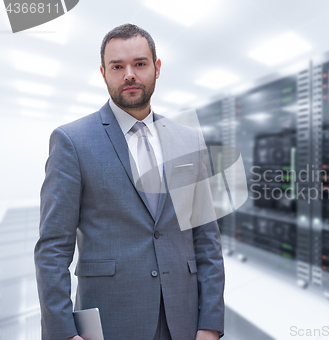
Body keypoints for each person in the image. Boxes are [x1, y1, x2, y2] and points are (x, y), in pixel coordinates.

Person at [34, 24, 224, 340]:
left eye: (139, 63)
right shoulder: (72, 141)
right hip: (111, 320)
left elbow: (206, 238)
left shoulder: (189, 140)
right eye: (117, 66)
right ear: (103, 72)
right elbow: (53, 246)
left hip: (185, 320)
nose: (129, 75)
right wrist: (63, 333)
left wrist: (211, 324)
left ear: (157, 67)